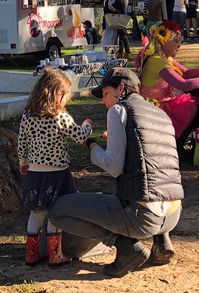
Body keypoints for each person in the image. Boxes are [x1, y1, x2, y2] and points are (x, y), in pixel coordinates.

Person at [48, 68, 183, 276]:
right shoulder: (159, 113)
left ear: (121, 88)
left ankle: (127, 247)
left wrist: (91, 145)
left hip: (143, 217)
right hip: (173, 215)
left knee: (56, 210)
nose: (103, 101)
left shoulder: (118, 110)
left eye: (104, 94)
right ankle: (162, 242)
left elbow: (113, 167)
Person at [18, 68, 93, 267]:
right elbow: (80, 137)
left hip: (35, 173)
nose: (66, 100)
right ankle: (55, 255)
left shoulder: (27, 116)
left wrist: (23, 163)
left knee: (36, 212)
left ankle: (31, 254)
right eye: (66, 96)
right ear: (58, 94)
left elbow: (22, 142)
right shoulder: (59, 116)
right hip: (57, 174)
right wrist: (87, 125)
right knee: (55, 211)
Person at [137, 21, 199, 138]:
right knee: (191, 105)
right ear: (164, 41)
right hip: (154, 111)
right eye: (176, 41)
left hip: (160, 105)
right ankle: (184, 143)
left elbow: (187, 73)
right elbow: (184, 84)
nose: (179, 45)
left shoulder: (164, 58)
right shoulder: (157, 61)